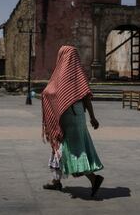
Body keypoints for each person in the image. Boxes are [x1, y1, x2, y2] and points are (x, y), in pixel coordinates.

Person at [41, 45, 104, 196]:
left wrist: (46, 94)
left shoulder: (61, 75)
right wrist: (92, 117)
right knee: (61, 147)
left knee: (72, 150)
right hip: (77, 115)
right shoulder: (79, 74)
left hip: (69, 117)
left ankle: (94, 179)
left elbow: (52, 91)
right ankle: (56, 181)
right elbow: (86, 97)